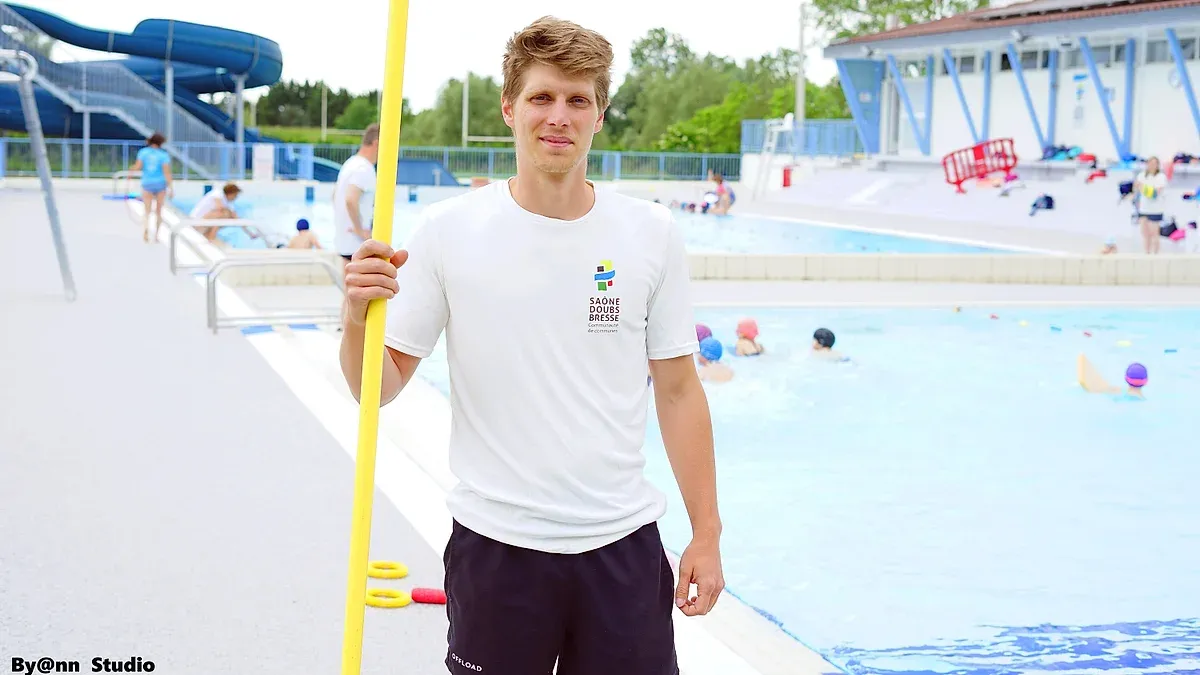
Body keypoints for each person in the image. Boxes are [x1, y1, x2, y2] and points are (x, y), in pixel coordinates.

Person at [338, 17, 723, 675]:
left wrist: (707, 533)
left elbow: (680, 390)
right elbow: (377, 385)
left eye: (578, 100)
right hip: (497, 548)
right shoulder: (448, 232)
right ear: (509, 107)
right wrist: (354, 317)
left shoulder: (651, 234)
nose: (559, 116)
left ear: (600, 115)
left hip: (621, 546)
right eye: (543, 97)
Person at [334, 124, 380, 323]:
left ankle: (342, 328)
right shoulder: (364, 169)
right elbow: (350, 199)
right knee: (359, 294)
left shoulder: (350, 163)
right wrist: (361, 229)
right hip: (355, 241)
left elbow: (335, 196)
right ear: (377, 143)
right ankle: (348, 334)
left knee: (350, 291)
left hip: (344, 238)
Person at [129, 132, 173, 243]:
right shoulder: (163, 155)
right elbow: (166, 172)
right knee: (159, 210)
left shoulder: (143, 153)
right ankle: (157, 235)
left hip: (147, 183)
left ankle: (146, 229)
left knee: (147, 209)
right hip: (160, 184)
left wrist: (131, 173)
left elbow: (138, 166)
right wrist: (171, 187)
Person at [1133, 156, 1169, 254]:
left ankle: (1155, 254)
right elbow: (1136, 189)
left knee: (1154, 234)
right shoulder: (1141, 175)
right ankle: (1147, 253)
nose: (1152, 165)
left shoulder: (1161, 177)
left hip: (1155, 209)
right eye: (1150, 163)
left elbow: (1154, 194)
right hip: (1143, 208)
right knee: (1145, 234)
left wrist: (1142, 186)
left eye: (1154, 163)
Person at [1077, 355, 1146, 400]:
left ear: (1126, 379)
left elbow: (1105, 389)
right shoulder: (1143, 401)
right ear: (1146, 381)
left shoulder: (1119, 392)